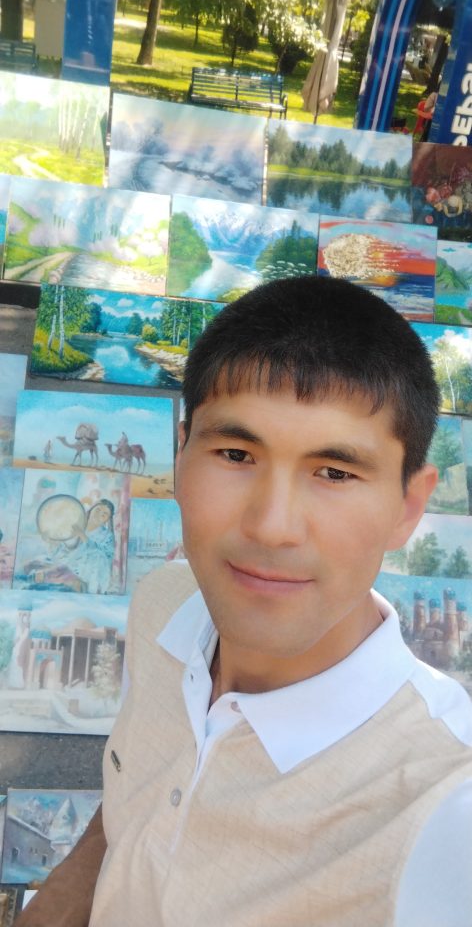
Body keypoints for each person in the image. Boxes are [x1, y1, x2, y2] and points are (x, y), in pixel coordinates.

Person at [17, 276, 472, 927]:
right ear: (180, 456)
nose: (271, 525)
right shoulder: (167, 604)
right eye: (236, 453)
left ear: (407, 507)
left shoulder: (443, 814)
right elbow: (137, 794)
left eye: (334, 473)